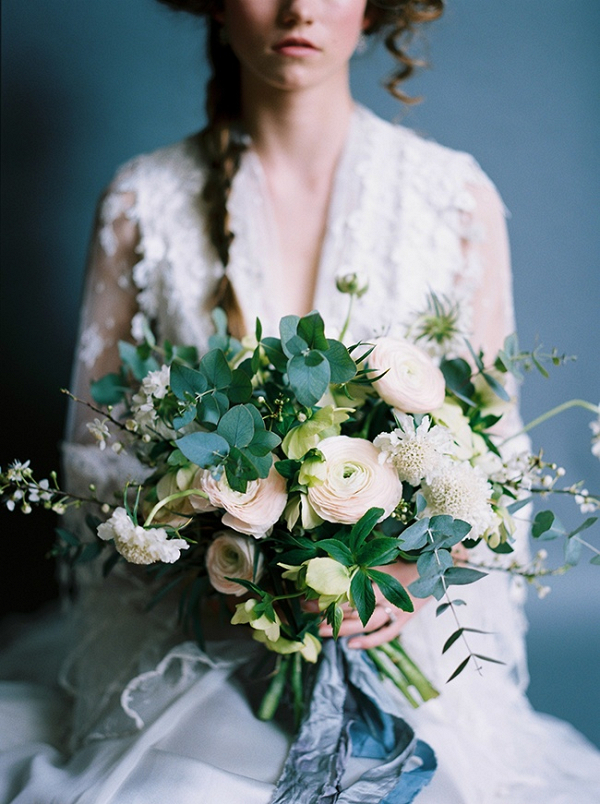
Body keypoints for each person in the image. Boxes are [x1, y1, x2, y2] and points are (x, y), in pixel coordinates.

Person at [1, 1, 599, 802]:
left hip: (398, 632)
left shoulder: (455, 199)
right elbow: (92, 469)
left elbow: (496, 464)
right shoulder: (141, 202)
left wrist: (409, 579)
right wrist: (227, 565)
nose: (298, 8)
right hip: (196, 632)